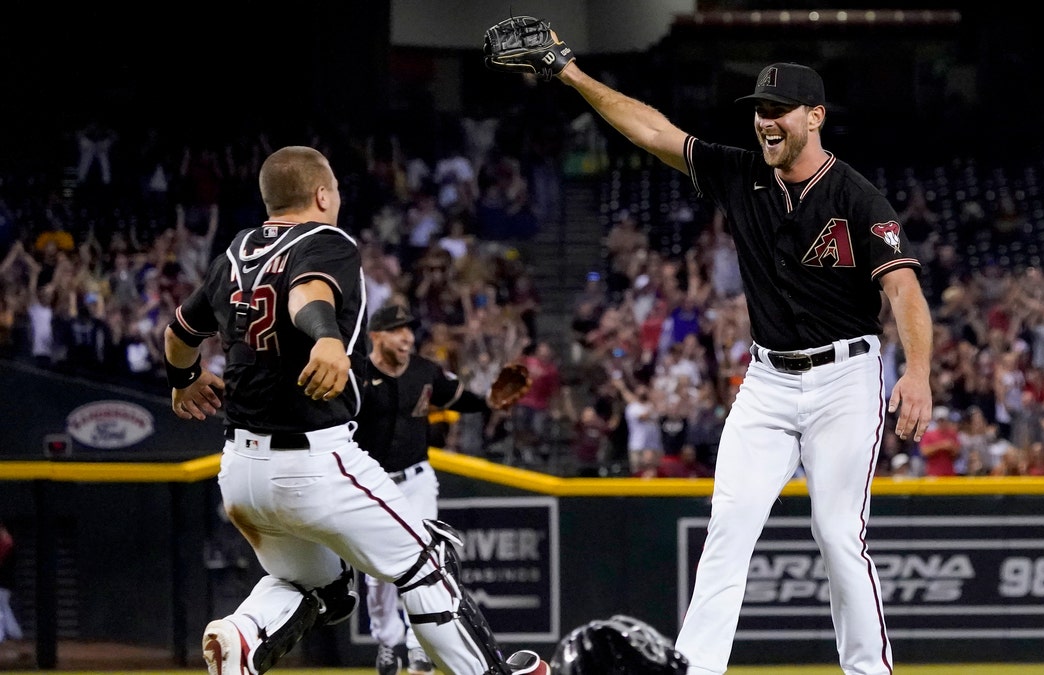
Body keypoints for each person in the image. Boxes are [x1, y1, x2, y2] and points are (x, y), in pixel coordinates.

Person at [490, 38, 933, 675]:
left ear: (815, 117)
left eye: (780, 108)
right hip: (768, 379)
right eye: (759, 107)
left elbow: (904, 290)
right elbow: (651, 130)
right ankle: (694, 671)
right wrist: (570, 72)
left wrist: (916, 372)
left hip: (845, 380)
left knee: (838, 538)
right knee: (726, 529)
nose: (764, 119)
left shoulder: (857, 199)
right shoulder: (739, 171)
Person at [163, 146, 543, 675]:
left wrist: (182, 377)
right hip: (313, 461)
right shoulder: (326, 240)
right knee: (427, 563)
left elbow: (180, 331)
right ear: (322, 194)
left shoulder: (237, 251)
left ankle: (245, 636)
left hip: (241, 471)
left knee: (323, 588)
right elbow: (307, 293)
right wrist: (325, 338)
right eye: (335, 188)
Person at [356, 302, 502, 675]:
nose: (407, 336)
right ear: (376, 335)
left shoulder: (424, 370)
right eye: (397, 329)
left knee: (425, 561)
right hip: (372, 484)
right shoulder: (356, 372)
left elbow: (458, 396)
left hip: (416, 478)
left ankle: (419, 645)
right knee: (377, 572)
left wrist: (489, 402)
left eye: (409, 329)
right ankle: (388, 642)